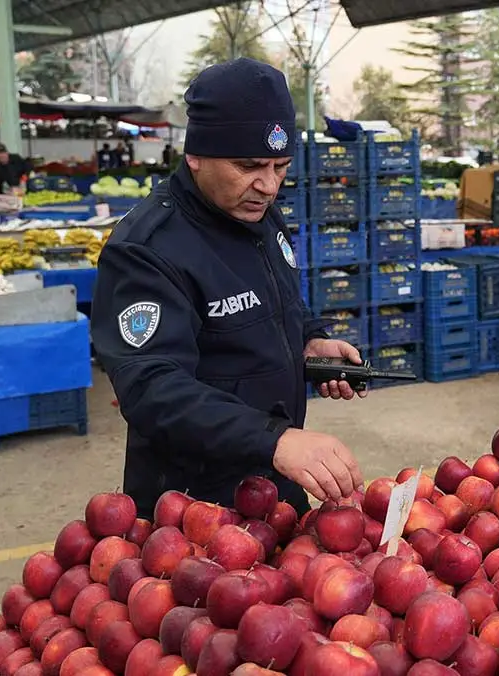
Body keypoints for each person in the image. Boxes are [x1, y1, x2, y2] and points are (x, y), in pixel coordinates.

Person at [91, 58, 365, 519]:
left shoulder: (258, 214)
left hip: (274, 481)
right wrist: (274, 438)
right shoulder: (146, 249)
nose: (269, 185)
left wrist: (310, 340)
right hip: (192, 506)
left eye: (281, 166)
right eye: (249, 165)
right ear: (195, 155)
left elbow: (278, 304)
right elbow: (151, 387)